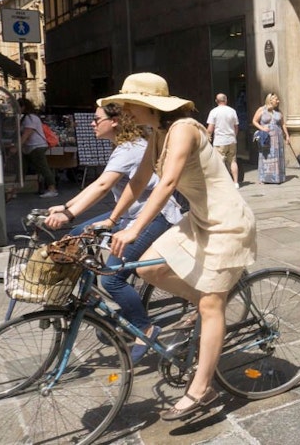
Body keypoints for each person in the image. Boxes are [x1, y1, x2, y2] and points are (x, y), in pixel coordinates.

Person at [101, 72, 256, 421]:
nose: (123, 108)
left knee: (212, 304)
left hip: (226, 222)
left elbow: (168, 182)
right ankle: (204, 305)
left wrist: (133, 229)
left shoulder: (184, 128)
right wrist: (111, 220)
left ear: (147, 104)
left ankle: (203, 389)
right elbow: (140, 181)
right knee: (149, 267)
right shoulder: (155, 133)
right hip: (199, 219)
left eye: (128, 102)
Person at [44, 102, 183, 363]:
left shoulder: (130, 149)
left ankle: (145, 327)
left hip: (156, 216)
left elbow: (103, 185)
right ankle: (95, 299)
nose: (92, 123)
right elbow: (100, 185)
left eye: (97, 119)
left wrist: (69, 211)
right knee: (77, 235)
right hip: (130, 215)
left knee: (112, 279)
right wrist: (65, 208)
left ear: (115, 121)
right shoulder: (123, 146)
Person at [16, 98, 58, 198]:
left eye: (17, 107)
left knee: (43, 168)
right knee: (22, 168)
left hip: (36, 146)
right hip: (28, 148)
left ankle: (52, 189)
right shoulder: (25, 118)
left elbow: (26, 134)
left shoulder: (30, 118)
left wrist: (17, 147)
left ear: (23, 107)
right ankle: (15, 189)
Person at [252, 93, 289, 184]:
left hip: (278, 137)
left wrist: (287, 135)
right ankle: (264, 178)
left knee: (277, 156)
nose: (278, 101)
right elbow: (254, 121)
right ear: (270, 100)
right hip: (266, 137)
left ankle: (277, 177)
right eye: (276, 99)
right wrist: (262, 128)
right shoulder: (262, 110)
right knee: (265, 156)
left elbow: (283, 124)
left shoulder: (278, 112)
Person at [206, 93, 240, 187]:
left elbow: (210, 128)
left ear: (216, 101)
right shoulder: (232, 111)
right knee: (233, 161)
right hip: (231, 139)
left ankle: (222, 182)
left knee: (219, 162)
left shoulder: (214, 112)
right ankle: (235, 182)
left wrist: (208, 138)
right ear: (226, 100)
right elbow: (236, 126)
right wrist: (234, 136)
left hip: (220, 141)